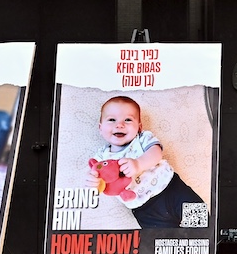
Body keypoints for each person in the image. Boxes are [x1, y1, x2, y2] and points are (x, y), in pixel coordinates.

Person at [88, 95, 205, 229]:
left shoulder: (142, 138)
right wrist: (93, 183)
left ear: (139, 127)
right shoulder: (101, 157)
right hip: (145, 209)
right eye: (112, 120)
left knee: (200, 220)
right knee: (163, 243)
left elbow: (156, 152)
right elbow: (96, 176)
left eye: (127, 120)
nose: (119, 125)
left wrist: (138, 164)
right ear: (100, 128)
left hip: (171, 188)